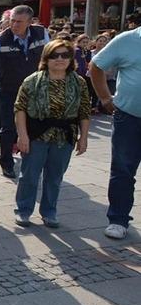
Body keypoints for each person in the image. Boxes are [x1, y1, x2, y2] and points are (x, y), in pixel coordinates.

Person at [14, 40, 90, 228]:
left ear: (71, 59)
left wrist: (84, 138)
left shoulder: (78, 82)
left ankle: (49, 212)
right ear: (46, 59)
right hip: (37, 134)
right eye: (54, 55)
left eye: (65, 55)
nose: (60, 59)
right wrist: (22, 135)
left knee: (55, 177)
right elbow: (20, 108)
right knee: (29, 175)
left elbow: (84, 111)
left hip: (65, 135)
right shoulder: (33, 80)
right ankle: (23, 211)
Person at [89, 27, 141, 239]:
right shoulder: (128, 39)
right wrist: (104, 98)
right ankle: (118, 219)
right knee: (123, 169)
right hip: (129, 117)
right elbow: (97, 66)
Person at [0, 5, 50, 179]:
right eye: (12, 21)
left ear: (30, 22)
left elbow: (48, 58)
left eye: (19, 22)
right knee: (8, 127)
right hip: (8, 90)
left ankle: (31, 160)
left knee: (34, 126)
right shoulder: (0, 40)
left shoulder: (41, 33)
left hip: (34, 89)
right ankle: (7, 163)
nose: (14, 25)